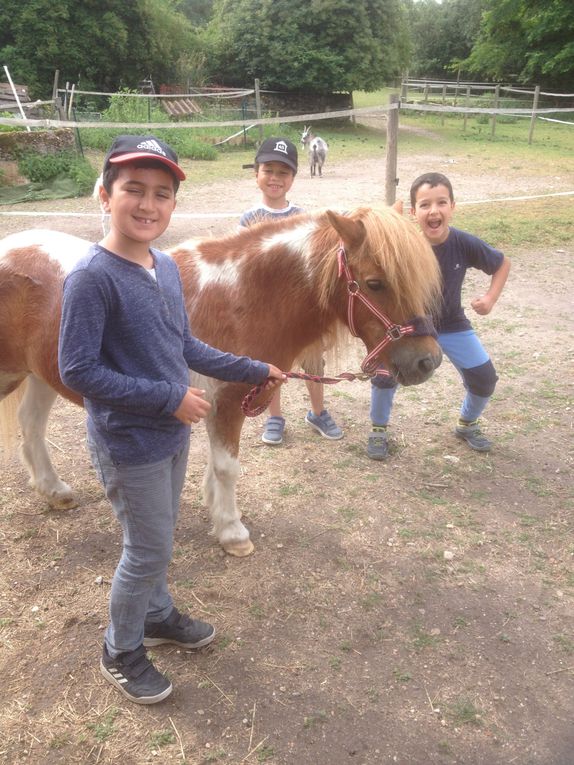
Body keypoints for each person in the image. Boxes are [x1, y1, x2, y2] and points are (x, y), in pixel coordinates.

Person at [58, 134, 285, 705]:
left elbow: (185, 344)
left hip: (169, 435)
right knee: (148, 549)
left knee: (157, 539)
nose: (147, 204)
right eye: (133, 189)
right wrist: (170, 400)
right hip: (129, 441)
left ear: (174, 206)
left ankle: (155, 617)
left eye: (162, 193)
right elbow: (78, 370)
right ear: (104, 195)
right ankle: (120, 649)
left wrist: (255, 366)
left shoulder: (162, 265)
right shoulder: (92, 276)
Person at [368, 171, 511, 460]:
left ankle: (467, 423)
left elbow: (502, 263)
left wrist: (490, 298)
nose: (433, 211)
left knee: (485, 379)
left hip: (452, 324)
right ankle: (378, 430)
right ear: (413, 212)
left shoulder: (464, 243)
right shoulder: (404, 246)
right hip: (412, 326)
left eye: (441, 202)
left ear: (452, 207)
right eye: (424, 205)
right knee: (384, 376)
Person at [240, 136, 343, 445]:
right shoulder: (249, 219)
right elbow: (246, 267)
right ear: (256, 174)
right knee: (272, 366)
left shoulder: (304, 217)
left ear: (293, 178)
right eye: (268, 170)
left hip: (302, 311)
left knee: (314, 361)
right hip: (268, 312)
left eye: (283, 173)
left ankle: (318, 411)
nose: (275, 178)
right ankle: (275, 417)